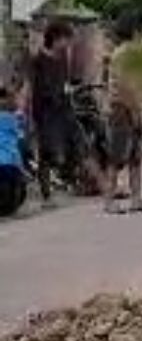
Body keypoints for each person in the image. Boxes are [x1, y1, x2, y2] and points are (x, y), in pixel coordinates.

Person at [28, 21, 78, 203]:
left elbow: (65, 81)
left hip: (63, 108)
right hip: (45, 112)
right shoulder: (38, 60)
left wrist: (68, 90)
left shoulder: (63, 58)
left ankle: (69, 182)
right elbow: (38, 88)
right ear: (55, 39)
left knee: (72, 144)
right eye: (65, 39)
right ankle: (46, 194)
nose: (67, 44)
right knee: (46, 152)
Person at [103, 64, 142, 213]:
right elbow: (125, 92)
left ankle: (136, 199)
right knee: (116, 159)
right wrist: (134, 113)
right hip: (121, 113)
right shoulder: (123, 59)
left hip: (132, 112)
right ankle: (109, 201)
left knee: (135, 159)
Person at [0, 85, 28, 218]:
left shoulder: (12, 117)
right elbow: (21, 135)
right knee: (18, 181)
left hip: (7, 161)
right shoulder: (13, 118)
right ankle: (12, 209)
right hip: (11, 160)